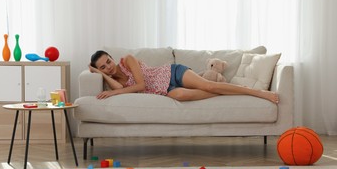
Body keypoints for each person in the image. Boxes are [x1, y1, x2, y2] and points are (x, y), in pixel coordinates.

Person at [89, 50, 279, 103]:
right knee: (180, 97)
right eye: (103, 67)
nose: (108, 67)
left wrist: (113, 93)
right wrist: (100, 74)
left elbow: (139, 86)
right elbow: (120, 89)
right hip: (165, 91)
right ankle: (228, 91)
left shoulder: (127, 60)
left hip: (172, 73)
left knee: (210, 86)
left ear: (112, 58)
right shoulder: (115, 80)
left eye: (108, 62)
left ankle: (256, 93)